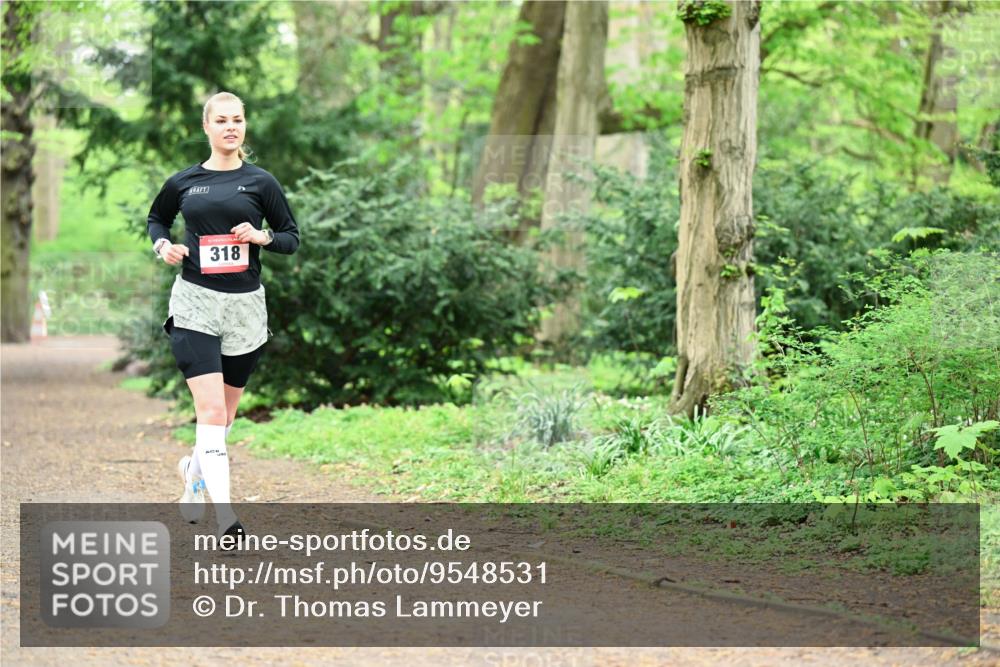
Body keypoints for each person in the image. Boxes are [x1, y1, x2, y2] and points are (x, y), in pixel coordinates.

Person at [146, 91, 300, 539]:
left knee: (225, 418)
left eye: (237, 120)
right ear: (207, 126)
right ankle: (227, 518)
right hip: (194, 300)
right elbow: (157, 220)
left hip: (245, 308)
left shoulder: (262, 183)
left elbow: (291, 237)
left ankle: (193, 475)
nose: (230, 127)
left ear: (244, 127)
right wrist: (163, 246)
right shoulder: (184, 182)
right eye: (222, 120)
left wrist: (262, 236)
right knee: (211, 412)